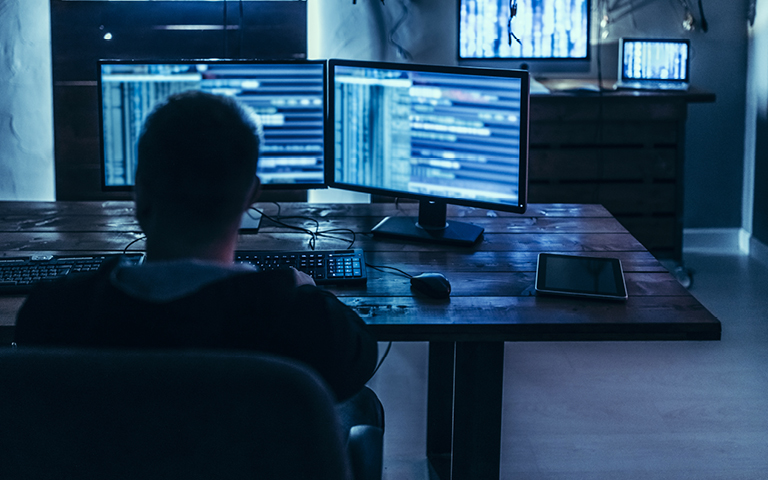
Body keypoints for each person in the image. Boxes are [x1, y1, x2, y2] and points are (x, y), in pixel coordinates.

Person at [14, 90, 384, 435]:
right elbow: (359, 359)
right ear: (250, 196)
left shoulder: (51, 313)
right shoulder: (306, 322)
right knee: (362, 407)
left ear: (140, 190)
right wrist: (309, 295)